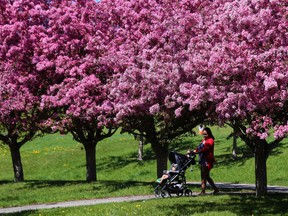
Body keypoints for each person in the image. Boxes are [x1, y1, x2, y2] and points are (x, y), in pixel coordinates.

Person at [187, 127, 219, 195]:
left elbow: (205, 149)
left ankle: (204, 191)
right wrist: (192, 151)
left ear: (209, 133)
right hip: (202, 159)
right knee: (205, 176)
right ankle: (214, 189)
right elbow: (198, 148)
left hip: (207, 160)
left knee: (204, 175)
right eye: (203, 134)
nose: (204, 135)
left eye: (205, 134)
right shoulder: (203, 140)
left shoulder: (210, 140)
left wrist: (197, 152)